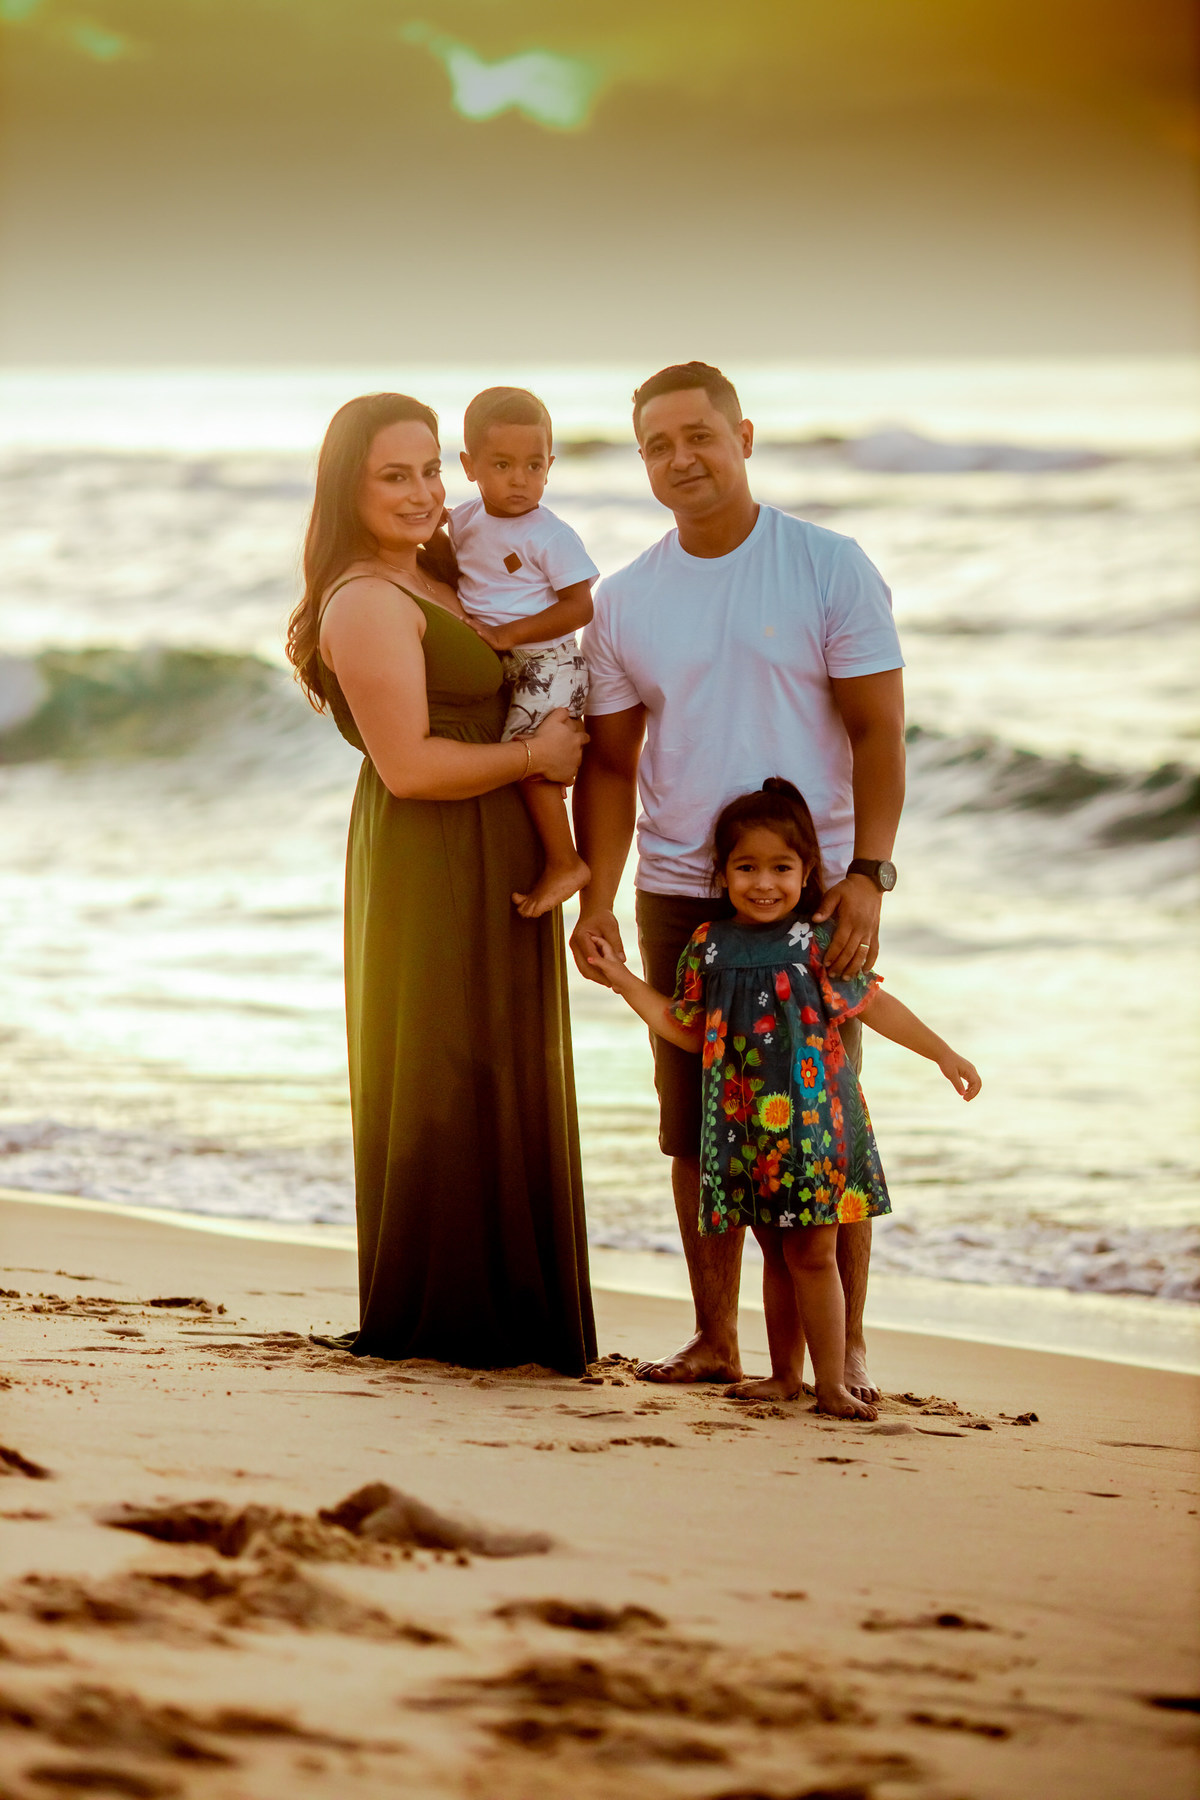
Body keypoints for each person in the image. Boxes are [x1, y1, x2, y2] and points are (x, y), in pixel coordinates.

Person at [571, 361, 905, 1399]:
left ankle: (846, 1352)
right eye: (657, 446)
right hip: (679, 887)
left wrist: (868, 874)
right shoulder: (624, 600)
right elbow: (611, 765)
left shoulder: (827, 566)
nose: (681, 460)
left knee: (825, 1123)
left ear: (743, 437)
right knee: (694, 1124)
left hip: (814, 890)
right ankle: (714, 1337)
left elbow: (878, 730)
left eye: (699, 437)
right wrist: (597, 897)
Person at [285, 392, 596, 1375]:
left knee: (503, 1061)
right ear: (349, 487)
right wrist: (537, 756)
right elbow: (411, 767)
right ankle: (455, 1310)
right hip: (430, 853)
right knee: (446, 1062)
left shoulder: (434, 575)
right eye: (395, 475)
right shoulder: (365, 601)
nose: (423, 492)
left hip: (496, 844)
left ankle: (518, 1307)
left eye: (430, 470)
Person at [588, 779, 980, 1420]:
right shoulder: (708, 945)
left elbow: (875, 1005)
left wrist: (942, 1053)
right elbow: (684, 1027)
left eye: (781, 868)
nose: (763, 883)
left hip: (816, 1127)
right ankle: (784, 1376)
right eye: (746, 867)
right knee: (775, 1252)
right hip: (748, 1129)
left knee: (814, 1254)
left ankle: (833, 1383)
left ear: (807, 872)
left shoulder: (817, 943)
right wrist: (620, 977)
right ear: (722, 873)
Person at [451, 387, 597, 919]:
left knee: (530, 755)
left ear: (550, 466)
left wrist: (509, 635)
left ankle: (565, 861)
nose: (520, 479)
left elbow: (580, 606)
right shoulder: (463, 520)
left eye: (533, 465)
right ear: (469, 466)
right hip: (508, 663)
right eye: (502, 465)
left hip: (549, 662)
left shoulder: (550, 535)